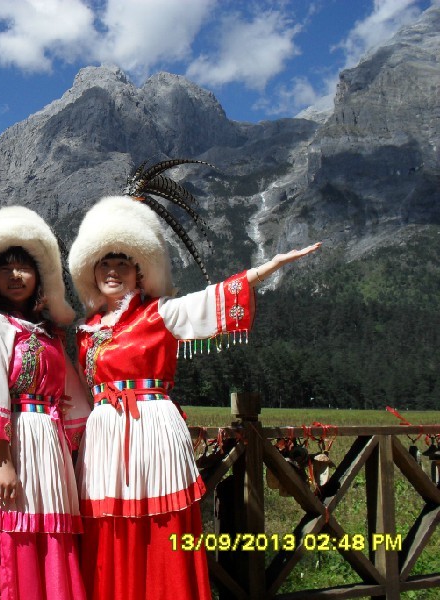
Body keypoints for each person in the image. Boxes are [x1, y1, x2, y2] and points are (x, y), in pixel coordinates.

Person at [66, 160, 321, 600]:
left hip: (150, 425)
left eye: (123, 262)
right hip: (104, 433)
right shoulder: (86, 332)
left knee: (160, 525)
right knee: (107, 526)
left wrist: (267, 268)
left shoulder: (161, 313)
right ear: (91, 269)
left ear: (140, 271)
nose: (113, 270)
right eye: (104, 262)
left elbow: (213, 298)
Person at [0, 206, 90, 600]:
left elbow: (75, 400)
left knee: (53, 531)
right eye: (5, 268)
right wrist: (2, 463)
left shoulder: (50, 334)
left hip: (51, 447)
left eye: (23, 267)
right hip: (15, 441)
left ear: (39, 276)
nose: (15, 275)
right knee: (16, 530)